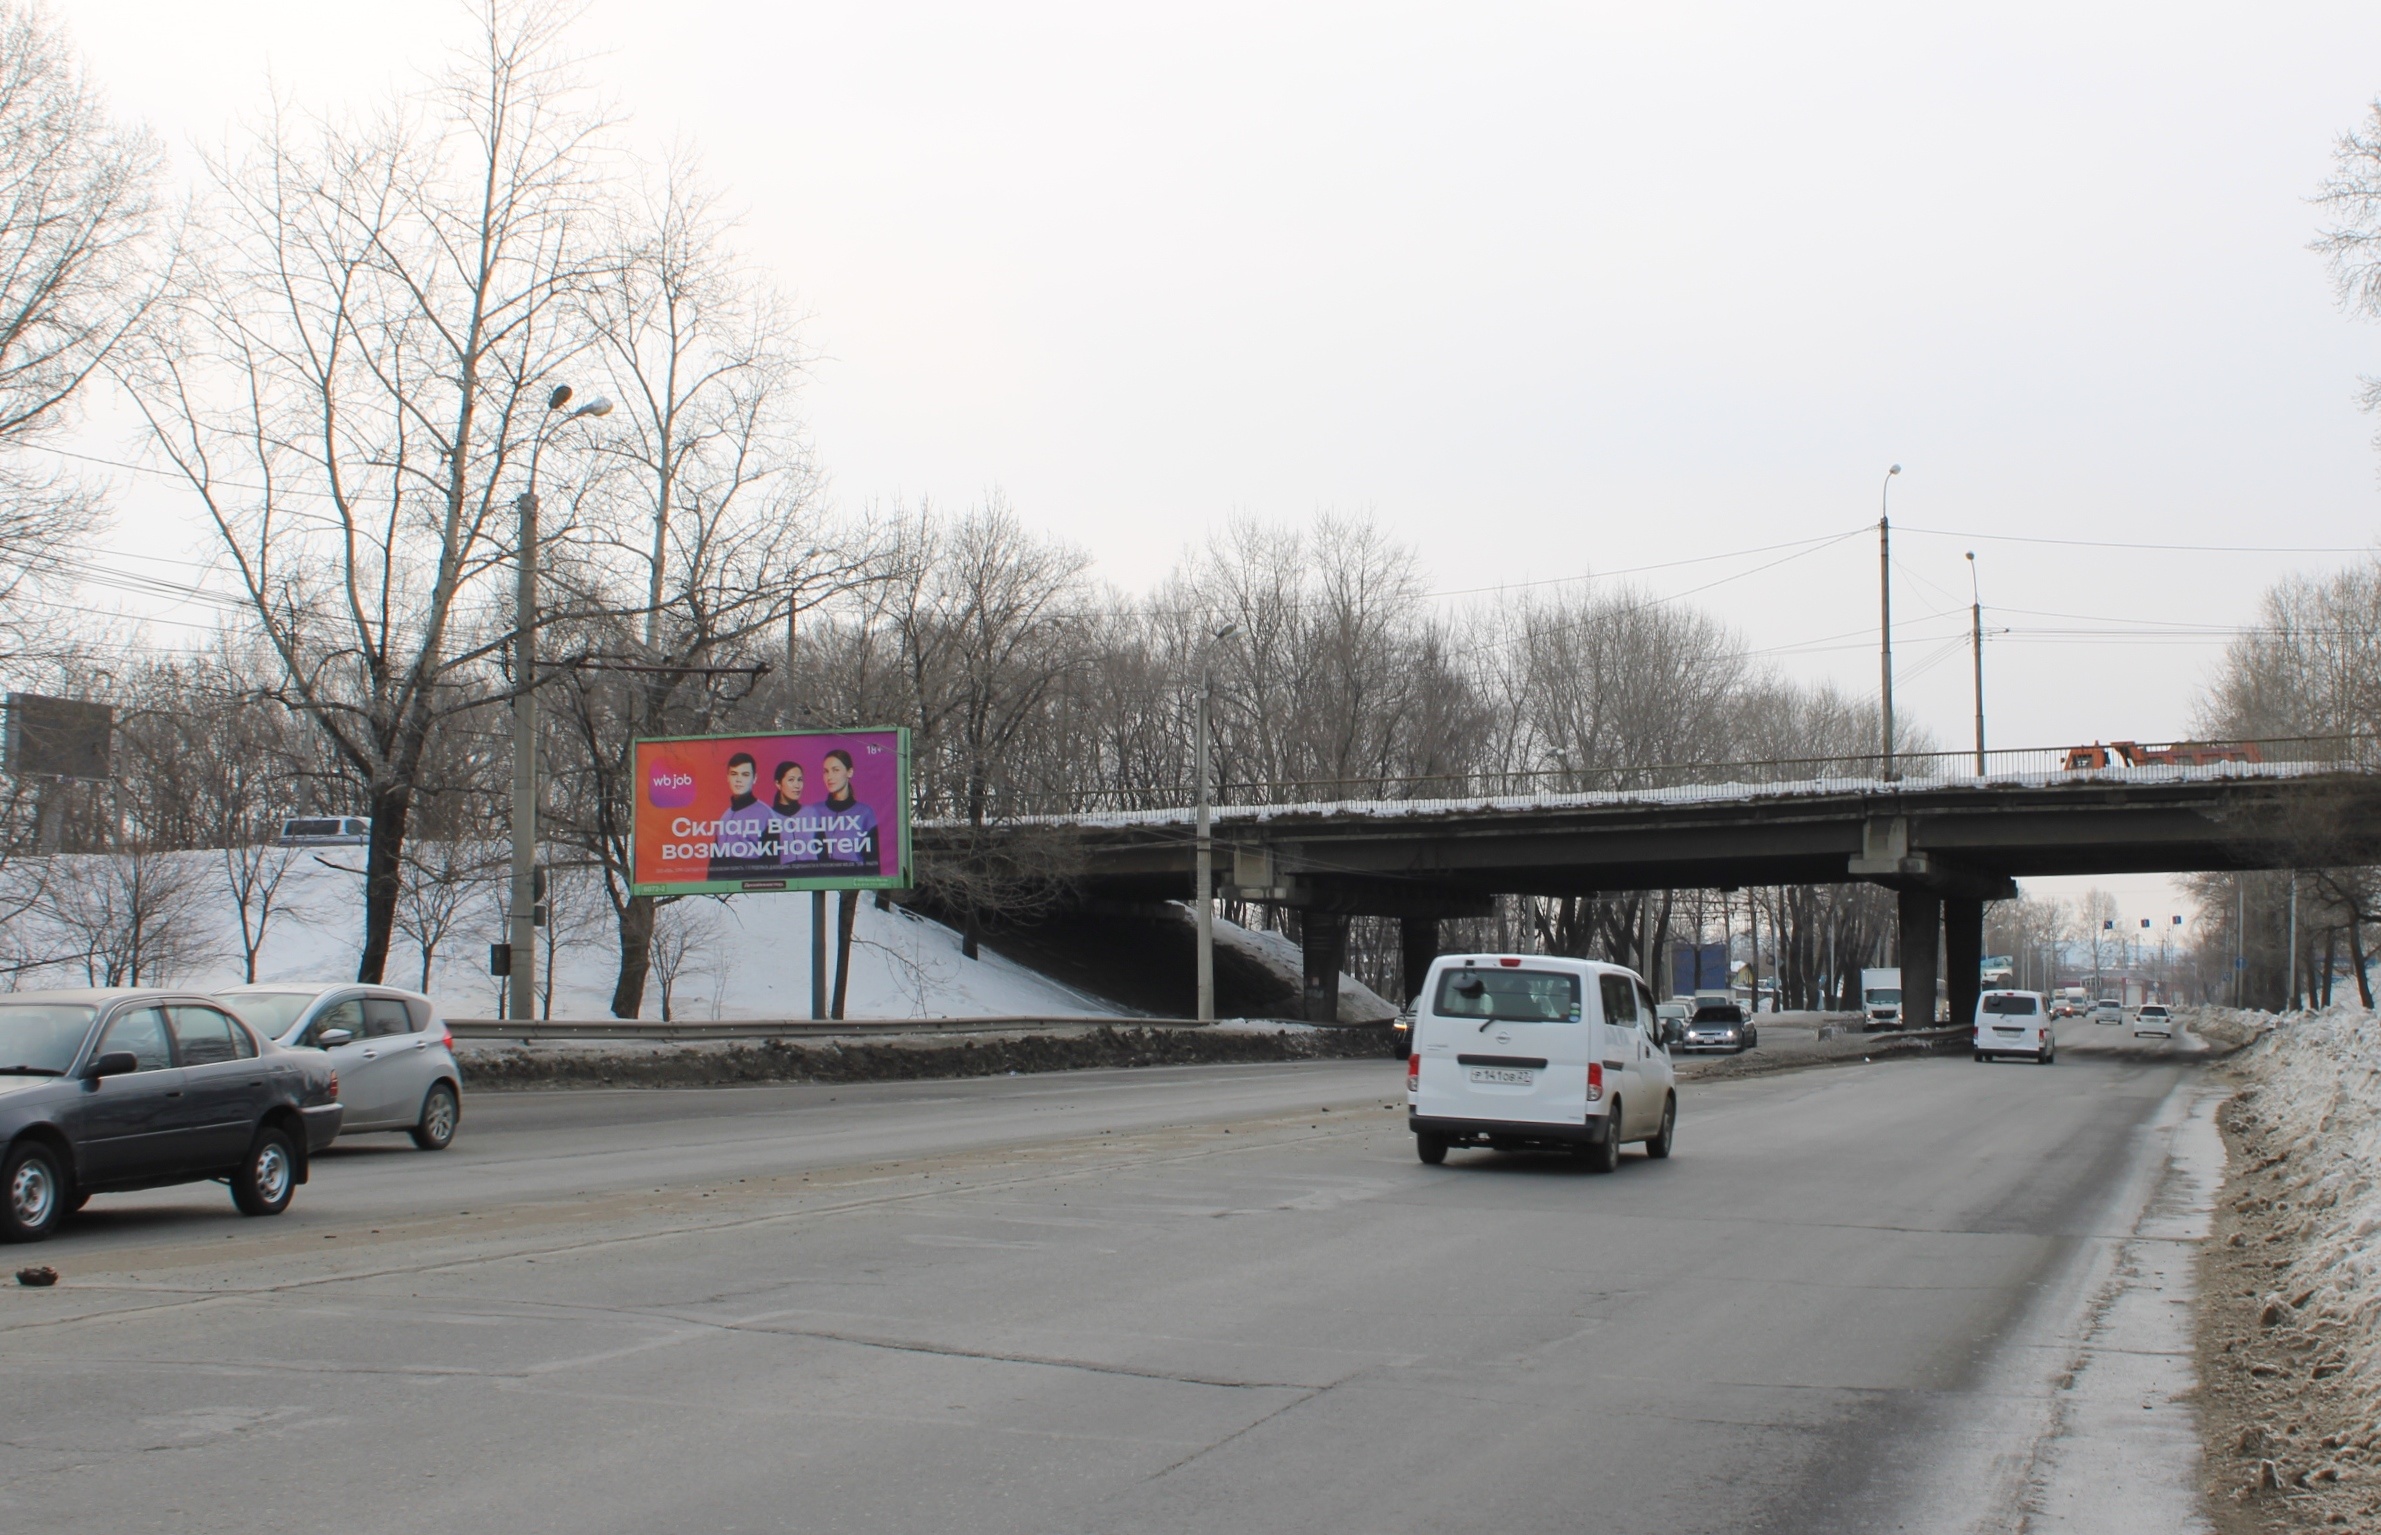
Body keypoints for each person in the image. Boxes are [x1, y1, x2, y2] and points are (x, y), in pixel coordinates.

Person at [811, 748, 881, 874]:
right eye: (826, 771)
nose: (830, 777)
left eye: (835, 770)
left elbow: (872, 863)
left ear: (849, 772)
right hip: (821, 882)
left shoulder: (865, 813)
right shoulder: (814, 811)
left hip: (854, 883)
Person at [708, 752, 776, 878]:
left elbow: (772, 864)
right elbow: (714, 863)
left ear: (754, 778)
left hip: (752, 887)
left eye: (745, 775)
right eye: (734, 774)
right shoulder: (725, 816)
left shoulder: (767, 814)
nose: (738, 780)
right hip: (724, 887)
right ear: (727, 777)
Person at [770, 760, 816, 866]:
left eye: (800, 780)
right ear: (778, 784)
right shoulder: (769, 817)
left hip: (812, 877)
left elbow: (823, 853)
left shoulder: (812, 813)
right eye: (791, 780)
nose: (797, 785)